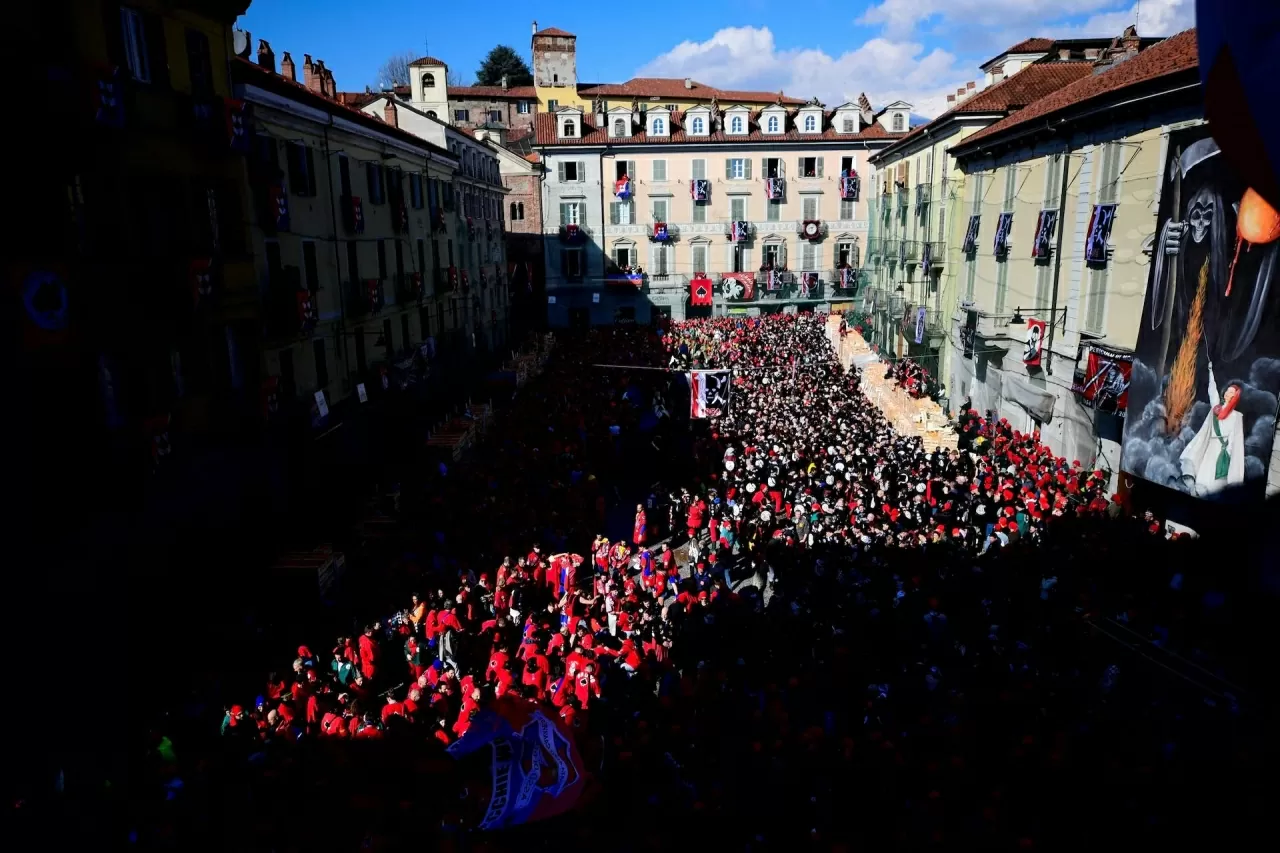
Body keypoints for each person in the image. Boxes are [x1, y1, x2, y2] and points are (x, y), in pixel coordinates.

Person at [1178, 365, 1246, 495]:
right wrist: (1210, 372)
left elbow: (1235, 439)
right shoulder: (1217, 408)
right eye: (1227, 390)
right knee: (1202, 480)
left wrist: (1228, 456)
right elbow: (1213, 392)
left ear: (1235, 396)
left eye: (1231, 392)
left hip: (1224, 453)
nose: (1227, 393)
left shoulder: (1237, 416)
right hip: (1210, 448)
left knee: (1217, 485)